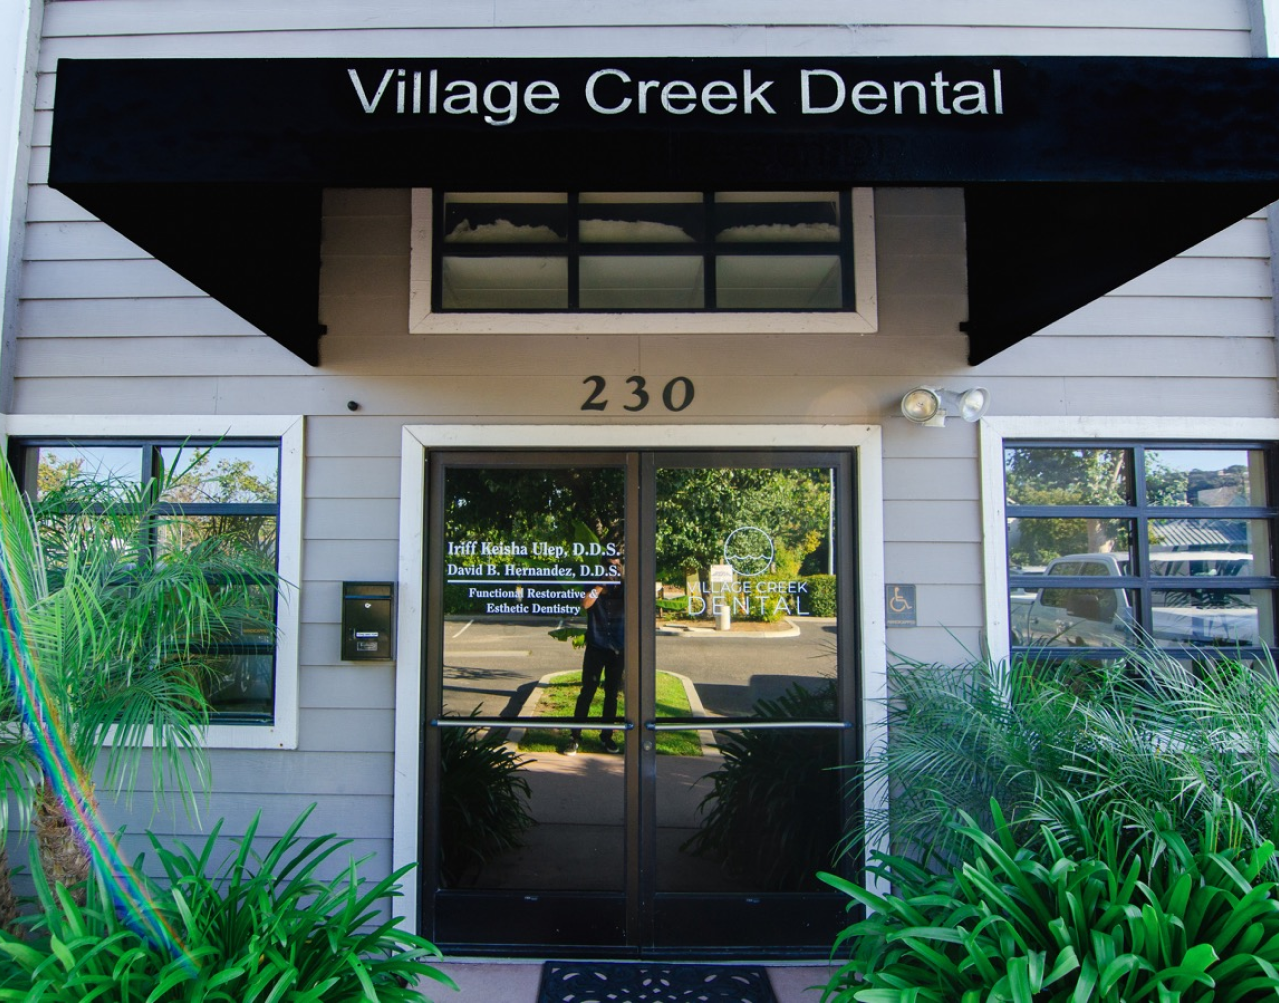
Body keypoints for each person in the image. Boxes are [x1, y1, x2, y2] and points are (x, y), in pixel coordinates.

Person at [564, 554, 624, 755]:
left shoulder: (626, 586)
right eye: (609, 564)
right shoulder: (593, 583)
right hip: (596, 646)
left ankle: (606, 737)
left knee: (611, 694)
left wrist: (621, 575)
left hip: (618, 648)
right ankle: (575, 737)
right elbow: (586, 604)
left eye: (617, 564)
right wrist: (600, 585)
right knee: (587, 691)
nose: (613, 569)